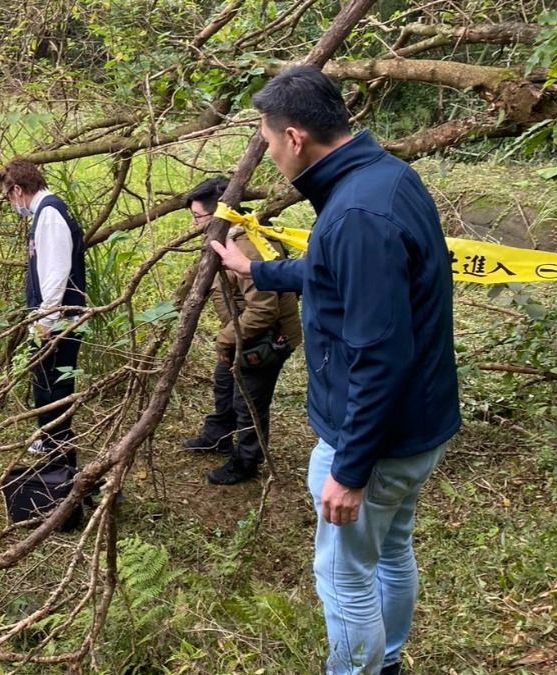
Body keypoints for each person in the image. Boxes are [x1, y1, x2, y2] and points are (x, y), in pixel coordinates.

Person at [211, 66, 460, 675]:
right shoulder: (382, 179)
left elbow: (381, 353)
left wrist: (349, 470)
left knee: (344, 574)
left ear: (295, 137)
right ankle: (389, 661)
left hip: (374, 442)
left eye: (268, 141)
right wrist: (259, 271)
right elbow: (335, 273)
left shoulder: (356, 215)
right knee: (391, 548)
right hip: (417, 429)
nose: (268, 155)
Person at [182, 177, 301, 485]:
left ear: (219, 215)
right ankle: (218, 434)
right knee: (225, 381)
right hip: (243, 332)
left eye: (198, 218)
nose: (195, 225)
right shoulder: (226, 238)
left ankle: (246, 460)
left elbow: (263, 311)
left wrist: (224, 338)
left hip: (268, 338)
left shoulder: (247, 247)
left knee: (248, 400)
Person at [0, 159, 88, 470]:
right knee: (45, 380)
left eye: (9, 197)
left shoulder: (49, 215)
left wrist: (45, 322)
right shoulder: (46, 212)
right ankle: (50, 438)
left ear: (18, 190)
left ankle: (59, 450)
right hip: (54, 317)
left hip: (59, 319)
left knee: (53, 384)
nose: (12, 205)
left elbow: (56, 273)